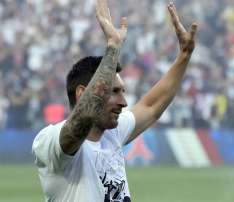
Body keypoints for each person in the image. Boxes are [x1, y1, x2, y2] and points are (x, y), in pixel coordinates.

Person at [32, 0, 197, 201]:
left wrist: (184, 56)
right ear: (82, 93)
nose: (123, 102)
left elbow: (151, 106)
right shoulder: (51, 141)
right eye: (114, 92)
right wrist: (113, 47)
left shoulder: (112, 134)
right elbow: (81, 120)